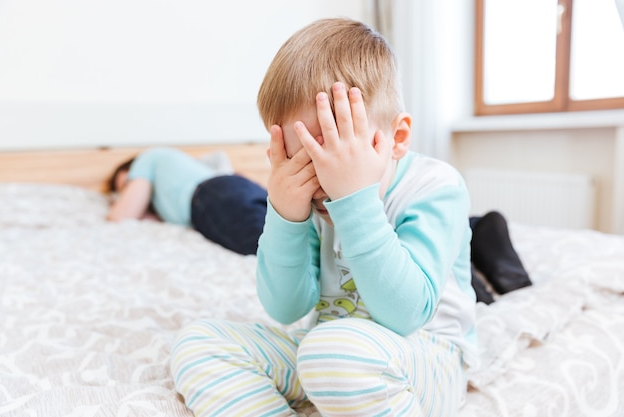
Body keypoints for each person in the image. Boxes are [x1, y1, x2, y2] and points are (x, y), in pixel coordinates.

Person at [170, 17, 479, 416]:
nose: (317, 178)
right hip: (327, 357)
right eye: (298, 159)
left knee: (329, 351)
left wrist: (354, 199)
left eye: (334, 152)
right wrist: (284, 215)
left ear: (396, 139)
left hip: (424, 358)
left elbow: (406, 314)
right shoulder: (311, 202)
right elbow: (287, 308)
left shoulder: (435, 186)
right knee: (199, 342)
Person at [107, 146, 267, 255]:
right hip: (230, 187)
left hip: (210, 197)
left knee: (273, 248)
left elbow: (120, 217)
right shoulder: (167, 188)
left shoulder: (144, 161)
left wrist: (117, 204)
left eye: (127, 186)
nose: (128, 193)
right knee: (282, 228)